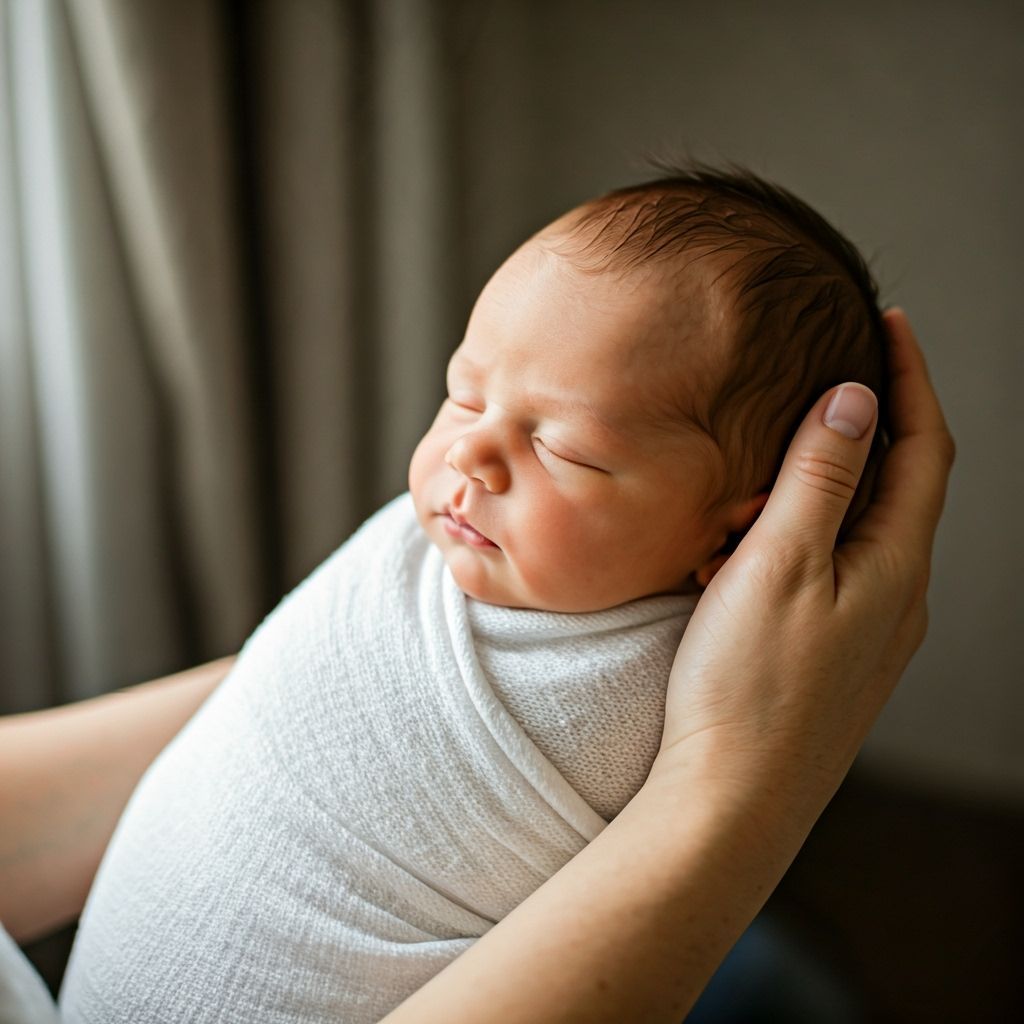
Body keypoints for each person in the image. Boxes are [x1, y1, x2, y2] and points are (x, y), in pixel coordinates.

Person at [0, 259, 951, 1021]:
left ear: (736, 537)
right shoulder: (464, 539)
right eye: (464, 391)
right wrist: (744, 783)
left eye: (563, 448)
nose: (469, 451)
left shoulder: (652, 689)